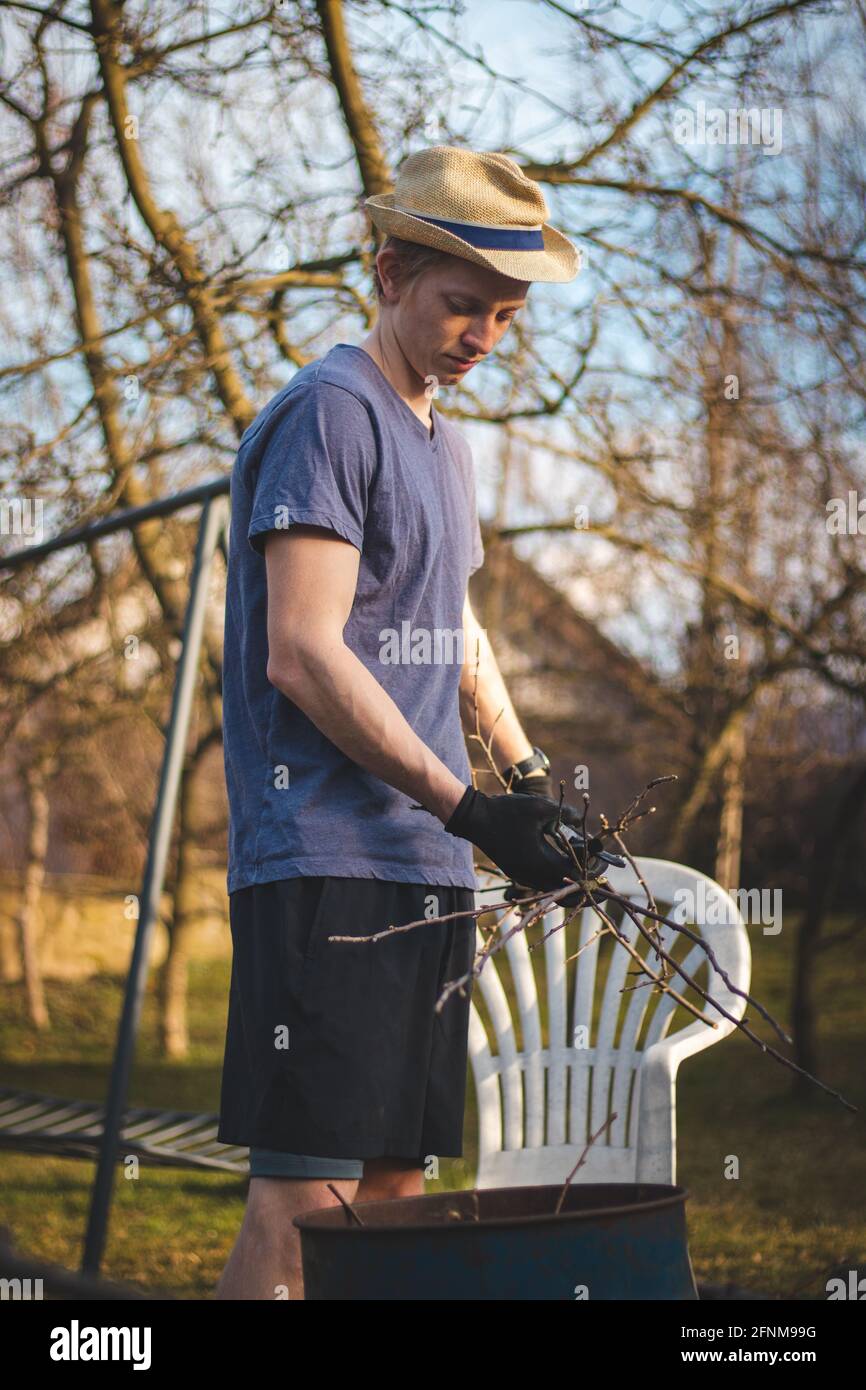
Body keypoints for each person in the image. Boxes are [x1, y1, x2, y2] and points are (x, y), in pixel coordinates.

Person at [214, 145, 588, 1300]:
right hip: (325, 859)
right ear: (387, 274)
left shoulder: (445, 438)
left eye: (504, 315)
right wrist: (469, 804)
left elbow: (454, 630)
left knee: (391, 1202)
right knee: (305, 1208)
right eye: (460, 304)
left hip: (425, 867)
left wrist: (525, 779)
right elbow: (302, 648)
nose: (482, 334)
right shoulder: (331, 412)